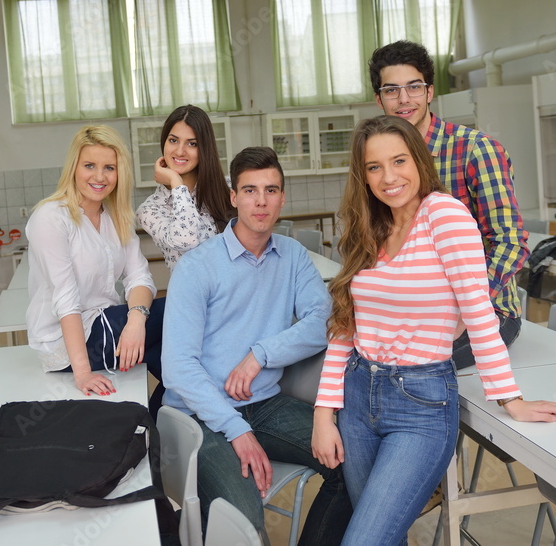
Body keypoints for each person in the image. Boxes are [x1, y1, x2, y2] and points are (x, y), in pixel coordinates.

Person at [311, 116, 556, 545]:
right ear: (363, 175)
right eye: (374, 167)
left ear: (419, 160)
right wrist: (324, 414)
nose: (389, 177)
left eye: (399, 161)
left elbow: (478, 310)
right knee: (386, 537)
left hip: (420, 404)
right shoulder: (368, 224)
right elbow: (345, 327)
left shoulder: (444, 215)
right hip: (356, 399)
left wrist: (510, 398)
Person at [162, 146, 351, 544]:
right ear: (234, 198)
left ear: (282, 198)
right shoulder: (197, 267)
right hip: (201, 415)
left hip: (265, 404)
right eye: (250, 190)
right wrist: (236, 429)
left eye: (271, 190)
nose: (261, 201)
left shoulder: (293, 256)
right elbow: (178, 367)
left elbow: (324, 321)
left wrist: (260, 355)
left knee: (353, 464)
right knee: (244, 525)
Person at [369, 40, 528, 356]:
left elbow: (510, 243)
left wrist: (463, 308)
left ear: (429, 92)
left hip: (484, 312)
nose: (404, 99)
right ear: (379, 99)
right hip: (415, 309)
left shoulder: (476, 150)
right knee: (361, 358)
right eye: (391, 90)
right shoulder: (382, 159)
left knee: (407, 366)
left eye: (414, 87)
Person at [26, 125, 165, 407]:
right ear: (73, 168)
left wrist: (136, 320)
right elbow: (66, 299)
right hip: (71, 344)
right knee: (183, 309)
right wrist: (83, 373)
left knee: (170, 354)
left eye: (109, 168)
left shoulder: (117, 217)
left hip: (109, 325)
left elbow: (140, 278)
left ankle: (159, 420)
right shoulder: (51, 218)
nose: (100, 177)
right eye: (89, 165)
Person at [137, 104, 234, 270]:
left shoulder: (229, 187)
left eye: (192, 144)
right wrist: (176, 183)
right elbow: (186, 239)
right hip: (189, 287)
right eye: (173, 140)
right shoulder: (150, 210)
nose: (180, 151)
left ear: (205, 148)